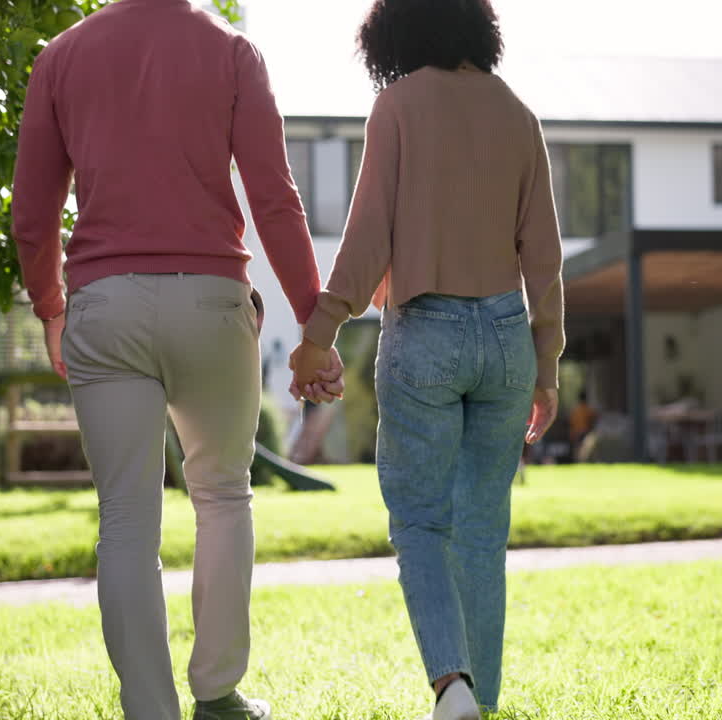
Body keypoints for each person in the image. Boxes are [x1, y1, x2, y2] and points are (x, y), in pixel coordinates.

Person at [12, 2, 342, 718]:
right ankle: (217, 694)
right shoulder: (233, 52)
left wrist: (50, 308)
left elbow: (33, 216)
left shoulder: (61, 56)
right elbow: (274, 198)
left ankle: (150, 710)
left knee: (126, 521)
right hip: (212, 303)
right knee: (222, 496)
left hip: (104, 305)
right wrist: (314, 324)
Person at [289, 1, 564, 717]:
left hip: (425, 333)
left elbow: (367, 235)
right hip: (506, 337)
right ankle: (480, 702)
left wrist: (319, 332)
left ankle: (453, 686)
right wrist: (548, 369)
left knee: (419, 522)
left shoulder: (398, 105)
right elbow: (544, 258)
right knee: (483, 532)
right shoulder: (519, 115)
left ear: (397, 30)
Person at [569, 391, 599, 456]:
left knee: (578, 449)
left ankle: (578, 458)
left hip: (577, 433)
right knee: (586, 449)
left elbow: (571, 423)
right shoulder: (589, 410)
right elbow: (594, 419)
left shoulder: (575, 410)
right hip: (585, 432)